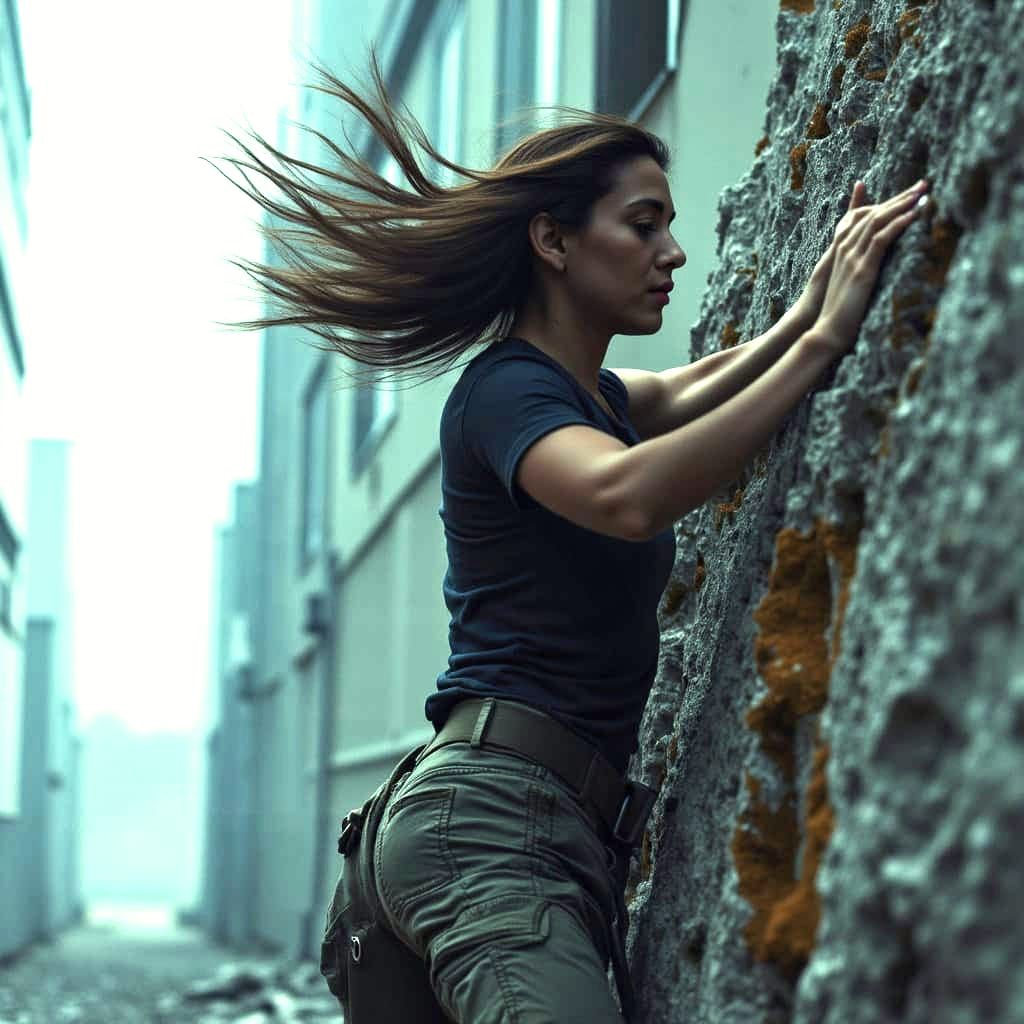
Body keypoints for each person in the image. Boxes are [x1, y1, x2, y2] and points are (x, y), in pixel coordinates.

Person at [221, 58, 930, 1024]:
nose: (672, 251)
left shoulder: (590, 396)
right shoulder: (507, 392)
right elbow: (626, 494)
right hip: (488, 828)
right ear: (554, 240)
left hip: (526, 826)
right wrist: (820, 345)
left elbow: (683, 390)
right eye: (644, 225)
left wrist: (813, 305)